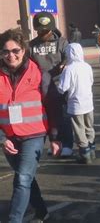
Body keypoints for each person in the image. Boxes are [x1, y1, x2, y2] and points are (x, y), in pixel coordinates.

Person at [0, 28, 52, 222]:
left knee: (22, 179)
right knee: (25, 177)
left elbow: (53, 105)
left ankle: (14, 219)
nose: (10, 55)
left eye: (15, 50)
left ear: (23, 50)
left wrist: (56, 136)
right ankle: (42, 211)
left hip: (34, 134)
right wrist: (2, 139)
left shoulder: (38, 72)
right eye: (5, 51)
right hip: (9, 138)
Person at [30, 11, 74, 157]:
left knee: (64, 116)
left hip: (60, 86)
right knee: (48, 117)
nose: (43, 33)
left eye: (46, 30)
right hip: (41, 87)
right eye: (40, 30)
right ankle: (55, 143)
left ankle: (67, 144)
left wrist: (64, 65)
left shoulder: (62, 42)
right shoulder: (32, 45)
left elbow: (70, 58)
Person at [58, 43, 96, 164]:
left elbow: (62, 88)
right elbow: (91, 81)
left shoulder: (68, 69)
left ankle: (84, 153)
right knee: (89, 127)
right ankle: (92, 148)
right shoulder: (87, 66)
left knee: (79, 129)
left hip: (76, 104)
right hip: (88, 102)